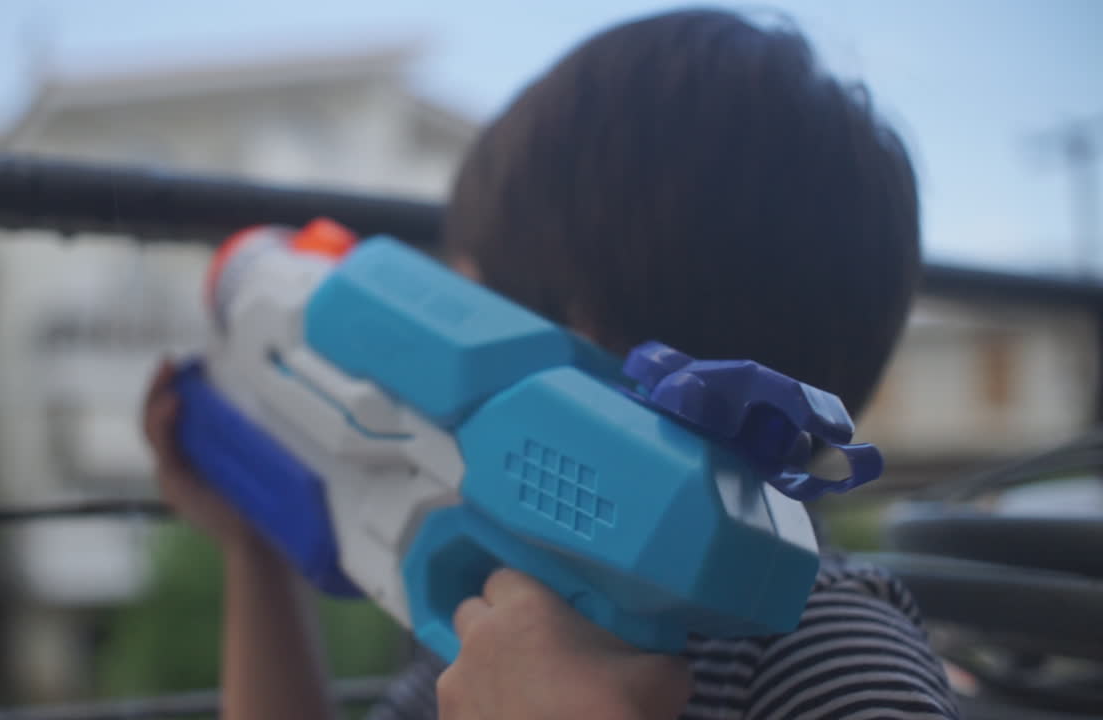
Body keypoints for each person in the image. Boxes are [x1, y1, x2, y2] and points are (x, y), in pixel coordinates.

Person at [142, 7, 960, 719]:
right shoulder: (512, 602)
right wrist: (257, 551)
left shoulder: (830, 657)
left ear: (586, 335)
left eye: (465, 288)